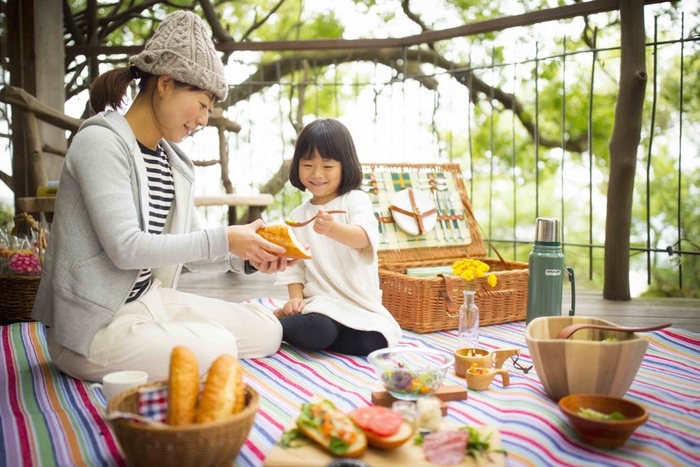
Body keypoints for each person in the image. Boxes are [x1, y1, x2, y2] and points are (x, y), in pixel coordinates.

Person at [31, 11, 295, 383]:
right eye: (202, 105)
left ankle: (174, 338)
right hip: (96, 326)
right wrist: (226, 238)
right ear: (166, 83)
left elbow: (188, 251)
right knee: (217, 347)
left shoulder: (173, 162)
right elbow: (126, 248)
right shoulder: (100, 142)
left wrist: (247, 254)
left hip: (149, 301)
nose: (204, 120)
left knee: (268, 329)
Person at [273, 119, 402, 356]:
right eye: (308, 164)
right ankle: (280, 327)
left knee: (378, 340)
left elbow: (364, 238)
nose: (317, 174)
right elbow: (294, 267)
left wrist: (332, 228)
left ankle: (296, 333)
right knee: (319, 330)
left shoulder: (354, 200)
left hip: (359, 304)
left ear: (345, 166)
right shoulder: (297, 216)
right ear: (297, 166)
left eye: (328, 166)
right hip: (321, 304)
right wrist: (294, 300)